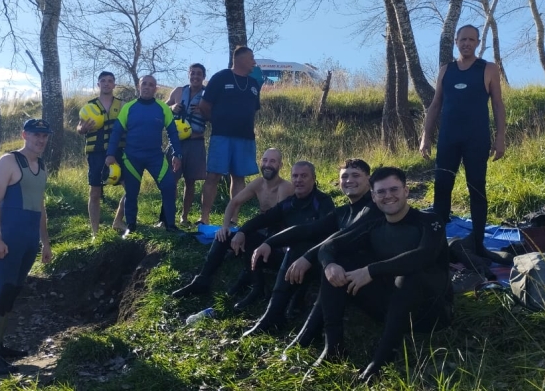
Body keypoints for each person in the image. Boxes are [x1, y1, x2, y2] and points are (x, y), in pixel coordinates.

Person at [314, 167, 452, 383]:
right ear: (373, 196)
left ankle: (382, 360)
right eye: (381, 192)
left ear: (406, 191)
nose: (388, 196)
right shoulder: (373, 223)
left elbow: (422, 256)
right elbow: (329, 245)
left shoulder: (430, 221)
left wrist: (371, 270)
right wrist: (329, 264)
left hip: (429, 314)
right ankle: (333, 347)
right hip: (387, 310)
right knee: (338, 264)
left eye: (394, 189)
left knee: (409, 276)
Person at [244, 158, 380, 338]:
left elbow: (338, 240)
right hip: (341, 270)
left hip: (371, 280)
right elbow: (307, 229)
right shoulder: (345, 211)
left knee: (326, 259)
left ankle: (308, 333)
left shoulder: (373, 209)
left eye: (356, 175)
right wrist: (269, 243)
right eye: (345, 176)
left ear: (369, 180)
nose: (349, 180)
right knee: (300, 245)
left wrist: (307, 257)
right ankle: (272, 315)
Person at [172, 160, 334, 309]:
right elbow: (263, 219)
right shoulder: (289, 203)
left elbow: (325, 234)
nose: (299, 180)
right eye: (295, 176)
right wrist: (241, 232)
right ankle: (217, 282)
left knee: (288, 246)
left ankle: (278, 297)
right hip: (284, 255)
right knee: (241, 236)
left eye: (304, 176)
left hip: (308, 259)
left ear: (313, 178)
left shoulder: (323, 202)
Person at [420, 24, 506, 257]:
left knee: (477, 188)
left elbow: (497, 104)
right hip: (449, 138)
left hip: (476, 139)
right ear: (456, 42)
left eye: (471, 39)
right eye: (462, 39)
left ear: (478, 42)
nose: (467, 43)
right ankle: (437, 247)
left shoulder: (488, 68)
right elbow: (435, 104)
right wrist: (426, 137)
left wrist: (500, 137)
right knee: (442, 188)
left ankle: (478, 244)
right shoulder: (446, 69)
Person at [0, 118, 54, 376]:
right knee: (2, 291)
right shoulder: (9, 161)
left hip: (29, 240)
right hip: (9, 240)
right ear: (24, 134)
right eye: (36, 134)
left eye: (45, 136)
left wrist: (45, 242)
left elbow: (40, 206)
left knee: (13, 291)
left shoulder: (41, 165)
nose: (41, 140)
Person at [105, 75, 183, 234]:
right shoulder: (128, 107)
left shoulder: (163, 108)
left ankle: (170, 225)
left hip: (156, 158)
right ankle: (131, 226)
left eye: (151, 85)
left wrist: (177, 154)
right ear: (139, 87)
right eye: (144, 84)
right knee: (131, 192)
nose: (147, 87)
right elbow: (116, 133)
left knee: (169, 187)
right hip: (132, 158)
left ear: (156, 88)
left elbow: (173, 133)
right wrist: (110, 154)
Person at [198, 46, 262, 225]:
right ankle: (204, 218)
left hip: (245, 138)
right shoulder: (220, 77)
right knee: (213, 176)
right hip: (221, 137)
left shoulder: (254, 84)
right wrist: (217, 122)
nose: (254, 62)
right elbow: (204, 105)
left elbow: (253, 110)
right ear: (240, 59)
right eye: (251, 58)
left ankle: (233, 218)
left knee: (239, 176)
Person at [76, 71, 126, 238]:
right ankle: (95, 232)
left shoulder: (123, 106)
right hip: (96, 152)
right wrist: (81, 130)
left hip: (118, 151)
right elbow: (79, 127)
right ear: (98, 84)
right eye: (103, 81)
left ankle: (118, 221)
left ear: (114, 85)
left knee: (130, 188)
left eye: (110, 81)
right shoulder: (89, 106)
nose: (106, 83)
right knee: (95, 192)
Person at [165, 63, 208, 225]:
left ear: (203, 77)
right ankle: (167, 217)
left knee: (190, 182)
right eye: (193, 73)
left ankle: (184, 217)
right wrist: (172, 107)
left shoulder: (208, 94)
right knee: (170, 181)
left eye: (199, 74)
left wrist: (203, 111)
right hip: (176, 143)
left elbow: (214, 116)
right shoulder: (177, 91)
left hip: (196, 142)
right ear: (188, 74)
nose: (195, 76)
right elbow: (162, 107)